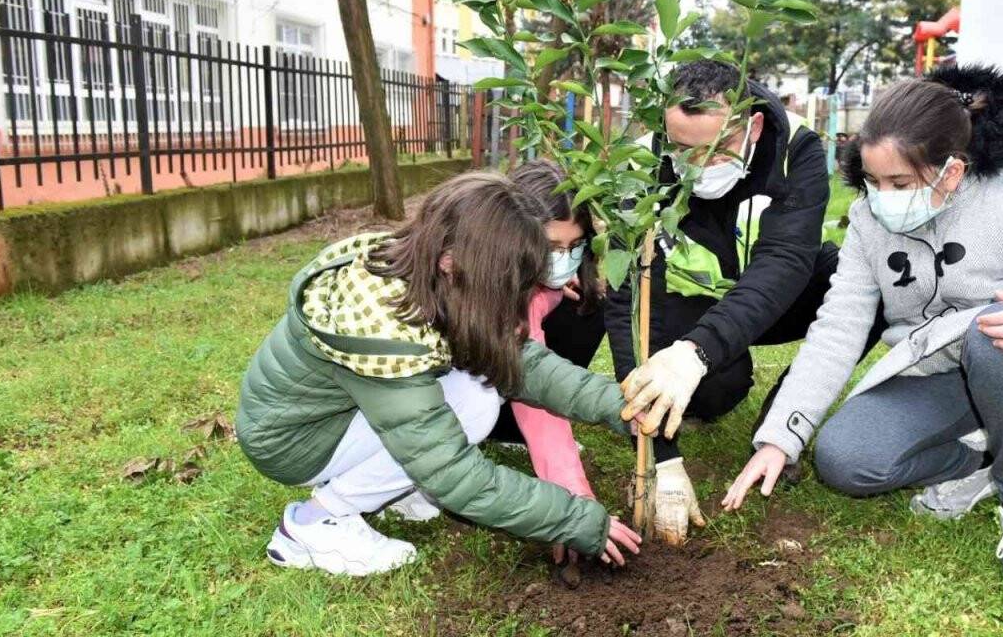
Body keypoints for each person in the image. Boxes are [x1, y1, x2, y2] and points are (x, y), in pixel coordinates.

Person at [722, 65, 1003, 599]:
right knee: (846, 460)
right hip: (933, 369)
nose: (881, 197)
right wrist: (780, 438)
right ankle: (985, 463)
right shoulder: (866, 220)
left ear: (951, 171)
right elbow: (839, 327)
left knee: (990, 327)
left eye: (899, 184)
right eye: (872, 181)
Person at [235, 171, 641, 576]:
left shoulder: (435, 276)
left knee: (475, 393)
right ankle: (315, 523)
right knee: (474, 407)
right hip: (293, 440)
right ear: (453, 260)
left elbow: (523, 363)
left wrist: (621, 408)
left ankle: (394, 487)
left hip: (337, 416)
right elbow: (452, 474)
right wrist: (577, 520)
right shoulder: (383, 328)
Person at [609, 59, 888, 544]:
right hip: (693, 302)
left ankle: (779, 426)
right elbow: (626, 302)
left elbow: (785, 259)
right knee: (717, 391)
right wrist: (662, 454)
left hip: (779, 295)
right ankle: (709, 384)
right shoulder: (639, 165)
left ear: (752, 125)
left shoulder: (794, 148)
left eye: (714, 152)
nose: (696, 166)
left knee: (870, 294)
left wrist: (696, 353)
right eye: (681, 149)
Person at [486, 159, 608, 566]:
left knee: (588, 308)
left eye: (574, 246)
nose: (566, 258)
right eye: (552, 248)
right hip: (453, 390)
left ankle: (504, 431)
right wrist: (573, 500)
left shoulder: (547, 278)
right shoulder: (499, 291)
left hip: (499, 378)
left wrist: (557, 286)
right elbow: (536, 391)